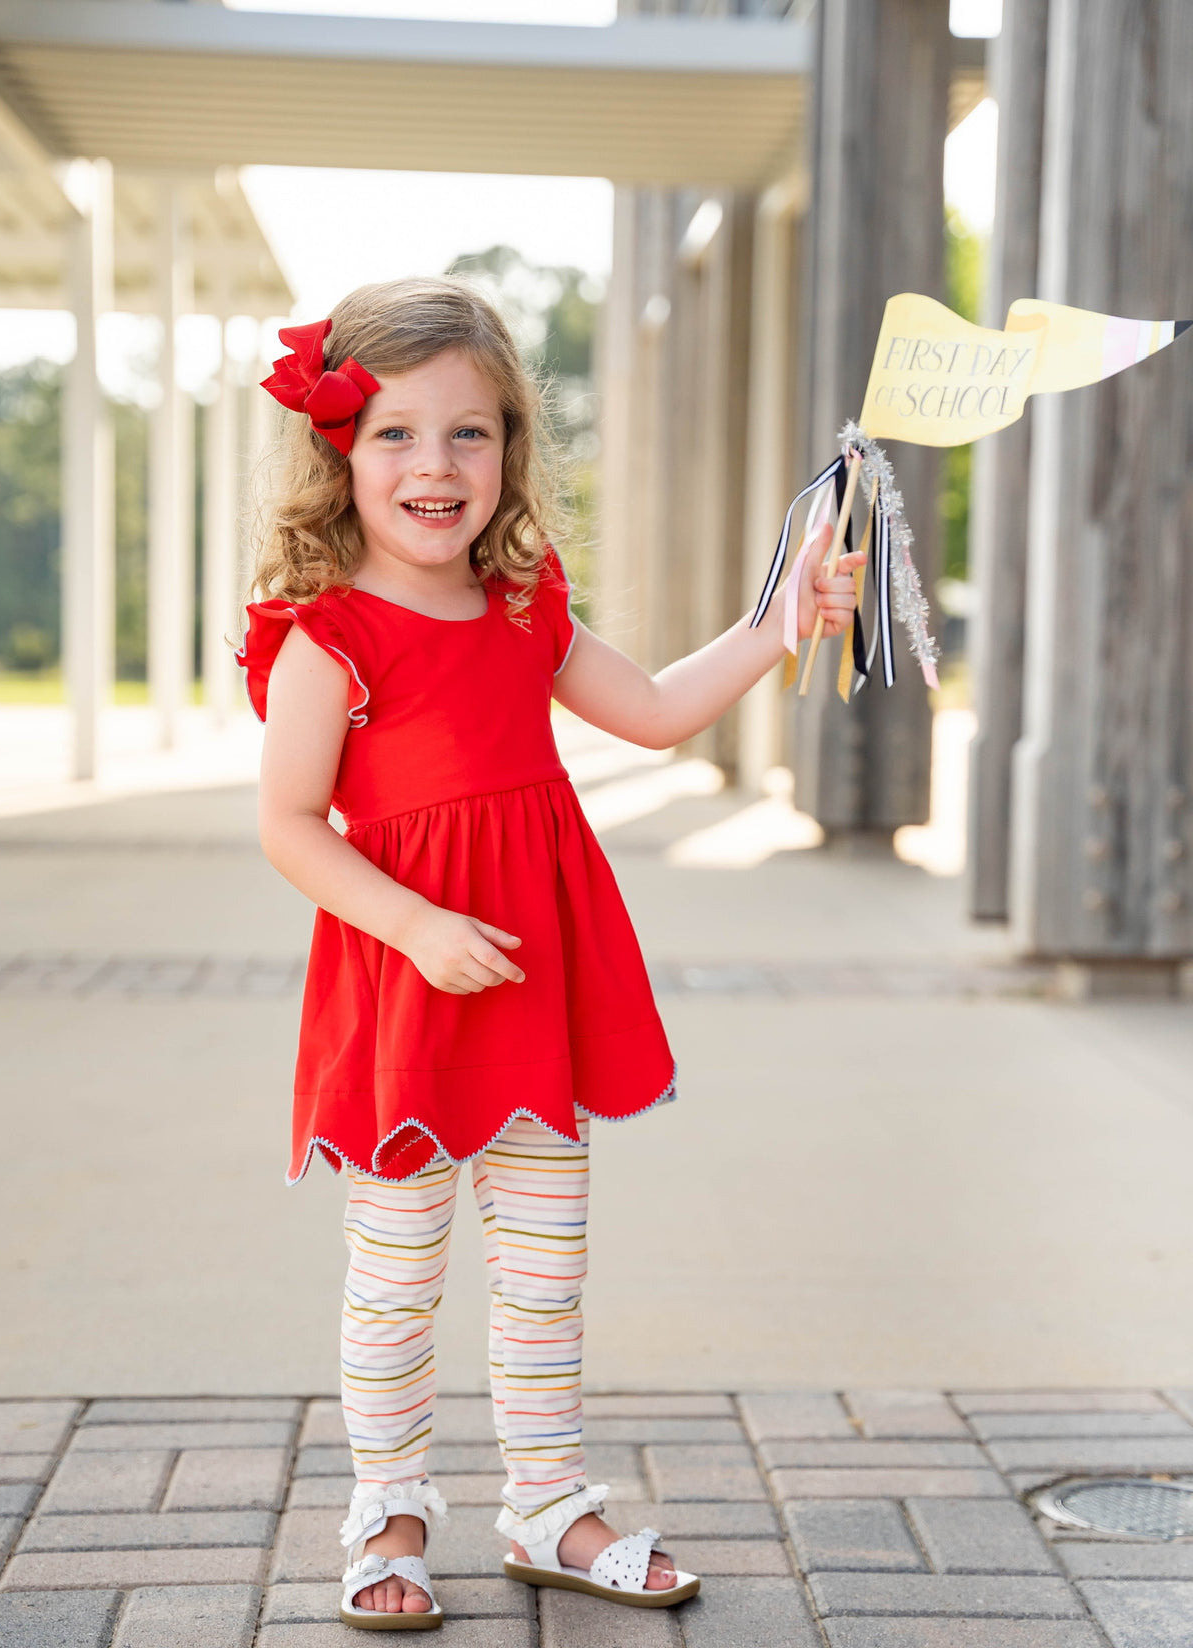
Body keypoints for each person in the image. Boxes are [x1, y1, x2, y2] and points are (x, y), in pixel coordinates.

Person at [236, 278, 863, 1630]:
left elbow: (647, 711)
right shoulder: (329, 640)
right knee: (396, 1278)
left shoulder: (524, 608)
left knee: (544, 1267)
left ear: (513, 449)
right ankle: (390, 1510)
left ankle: (545, 1501)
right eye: (397, 433)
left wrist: (781, 618)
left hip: (529, 991)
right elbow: (290, 826)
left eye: (470, 434)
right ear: (341, 452)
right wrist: (412, 922)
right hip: (410, 996)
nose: (435, 467)